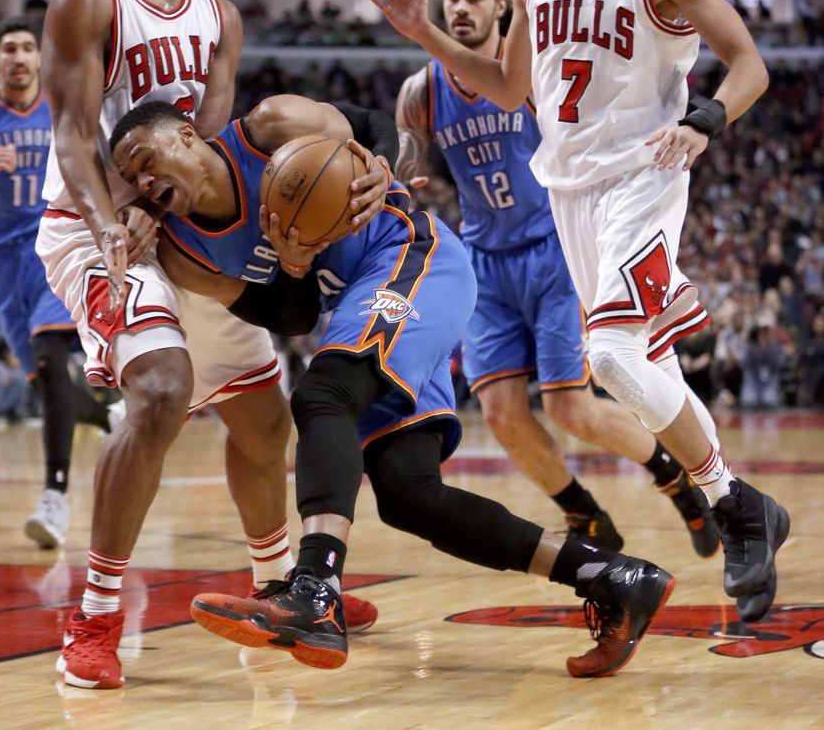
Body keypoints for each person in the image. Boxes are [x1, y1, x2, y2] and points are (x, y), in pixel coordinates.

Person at [369, 0, 789, 623]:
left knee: (608, 355)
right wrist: (423, 35)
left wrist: (704, 120)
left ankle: (732, 506)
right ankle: (738, 505)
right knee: (645, 367)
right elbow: (506, 85)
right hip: (568, 194)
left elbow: (750, 65)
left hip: (647, 177)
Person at [108, 96, 676, 680]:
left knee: (321, 394)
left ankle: (314, 589)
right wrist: (293, 263)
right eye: (130, 179)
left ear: (183, 133)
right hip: (369, 309)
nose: (143, 182)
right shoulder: (181, 252)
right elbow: (295, 317)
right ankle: (612, 578)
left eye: (144, 159)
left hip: (410, 255)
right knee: (409, 495)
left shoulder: (269, 127)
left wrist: (379, 163)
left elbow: (367, 118)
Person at [35, 0, 378, 691]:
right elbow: (75, 137)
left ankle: (274, 584)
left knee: (264, 422)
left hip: (182, 220)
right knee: (157, 392)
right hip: (91, 223)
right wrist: (115, 220)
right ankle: (96, 615)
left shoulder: (218, 12)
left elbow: (215, 135)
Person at [396, 0, 718, 557]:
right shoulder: (421, 92)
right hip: (486, 261)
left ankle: (676, 475)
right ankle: (586, 515)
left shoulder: (535, 79)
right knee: (498, 413)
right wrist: (405, 183)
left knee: (570, 406)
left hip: (553, 247)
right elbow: (407, 165)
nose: (459, 8)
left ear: (502, 9)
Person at [0, 19, 117, 547]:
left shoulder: (62, 104)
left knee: (48, 353)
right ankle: (108, 412)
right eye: (9, 50)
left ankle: (55, 496)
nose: (19, 57)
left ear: (40, 59)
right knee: (45, 384)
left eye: (27, 48)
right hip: (0, 261)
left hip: (56, 244)